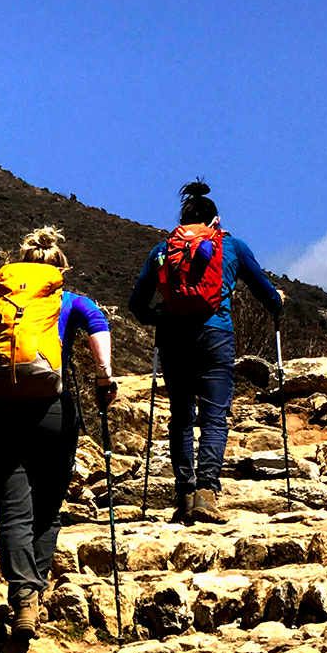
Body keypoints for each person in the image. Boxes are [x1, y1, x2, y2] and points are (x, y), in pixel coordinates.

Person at [0, 226, 116, 639]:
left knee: (14, 510)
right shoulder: (72, 302)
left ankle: (23, 595)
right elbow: (100, 326)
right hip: (54, 415)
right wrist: (105, 379)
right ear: (59, 270)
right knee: (46, 510)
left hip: (0, 415)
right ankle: (35, 592)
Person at [127, 180, 283, 525]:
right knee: (213, 417)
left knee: (182, 417)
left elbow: (136, 304)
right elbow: (265, 291)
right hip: (216, 335)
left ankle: (184, 496)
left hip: (173, 337)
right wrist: (278, 303)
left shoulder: (163, 250)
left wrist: (159, 318)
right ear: (215, 220)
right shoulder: (231, 246)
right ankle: (207, 496)